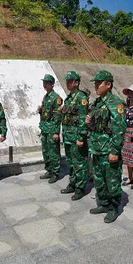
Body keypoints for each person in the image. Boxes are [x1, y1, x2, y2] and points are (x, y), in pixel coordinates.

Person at [86, 70, 127, 223]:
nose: (96, 86)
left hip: (108, 149)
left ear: (108, 85)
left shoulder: (115, 103)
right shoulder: (97, 103)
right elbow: (97, 124)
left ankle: (113, 208)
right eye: (95, 83)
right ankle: (103, 204)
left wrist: (115, 150)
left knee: (112, 180)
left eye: (99, 83)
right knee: (99, 179)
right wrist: (89, 123)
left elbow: (119, 128)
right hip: (96, 148)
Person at [59, 71, 89, 200]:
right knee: (71, 162)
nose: (67, 83)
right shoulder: (69, 98)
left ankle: (80, 188)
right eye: (67, 81)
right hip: (68, 136)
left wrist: (81, 137)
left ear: (76, 83)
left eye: (70, 81)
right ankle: (72, 183)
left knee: (79, 163)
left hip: (76, 137)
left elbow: (83, 119)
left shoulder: (81, 98)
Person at [38, 74, 63, 183]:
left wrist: (56, 132)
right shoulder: (46, 96)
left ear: (52, 84)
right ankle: (49, 170)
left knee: (53, 152)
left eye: (47, 83)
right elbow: (46, 113)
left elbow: (57, 116)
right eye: (44, 83)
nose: (45, 85)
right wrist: (40, 110)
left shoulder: (56, 98)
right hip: (45, 129)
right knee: (46, 151)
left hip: (52, 129)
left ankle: (55, 173)